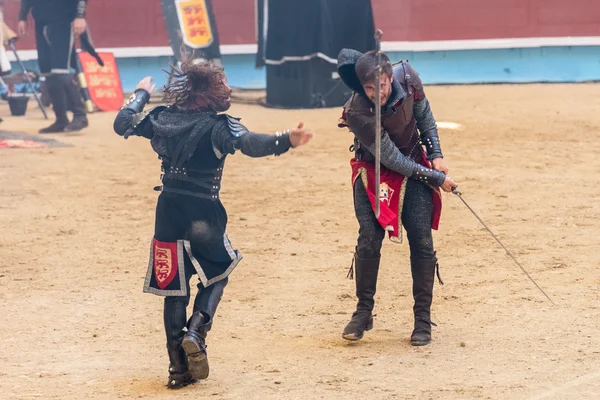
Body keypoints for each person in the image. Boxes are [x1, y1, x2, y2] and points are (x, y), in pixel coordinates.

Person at [113, 60, 313, 389]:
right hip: (204, 212)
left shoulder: (161, 119)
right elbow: (250, 144)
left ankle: (178, 370)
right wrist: (285, 140)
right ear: (205, 92)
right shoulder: (219, 126)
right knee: (220, 270)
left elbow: (123, 123)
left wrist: (140, 93)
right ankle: (196, 331)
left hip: (168, 211)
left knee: (174, 290)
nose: (229, 88)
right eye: (222, 82)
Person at [337, 48, 459, 346]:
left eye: (381, 85)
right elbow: (391, 159)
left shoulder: (409, 78)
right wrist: (436, 177)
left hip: (415, 159)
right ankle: (363, 312)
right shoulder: (357, 112)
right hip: (373, 170)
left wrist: (437, 155)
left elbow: (425, 118)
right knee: (369, 235)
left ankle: (422, 319)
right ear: (360, 87)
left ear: (391, 77)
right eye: (369, 87)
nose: (376, 92)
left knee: (421, 237)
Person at [18, 0, 88, 133]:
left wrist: (80, 16)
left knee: (61, 71)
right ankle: (61, 119)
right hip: (41, 20)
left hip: (63, 19)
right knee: (48, 74)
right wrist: (22, 16)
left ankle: (80, 115)